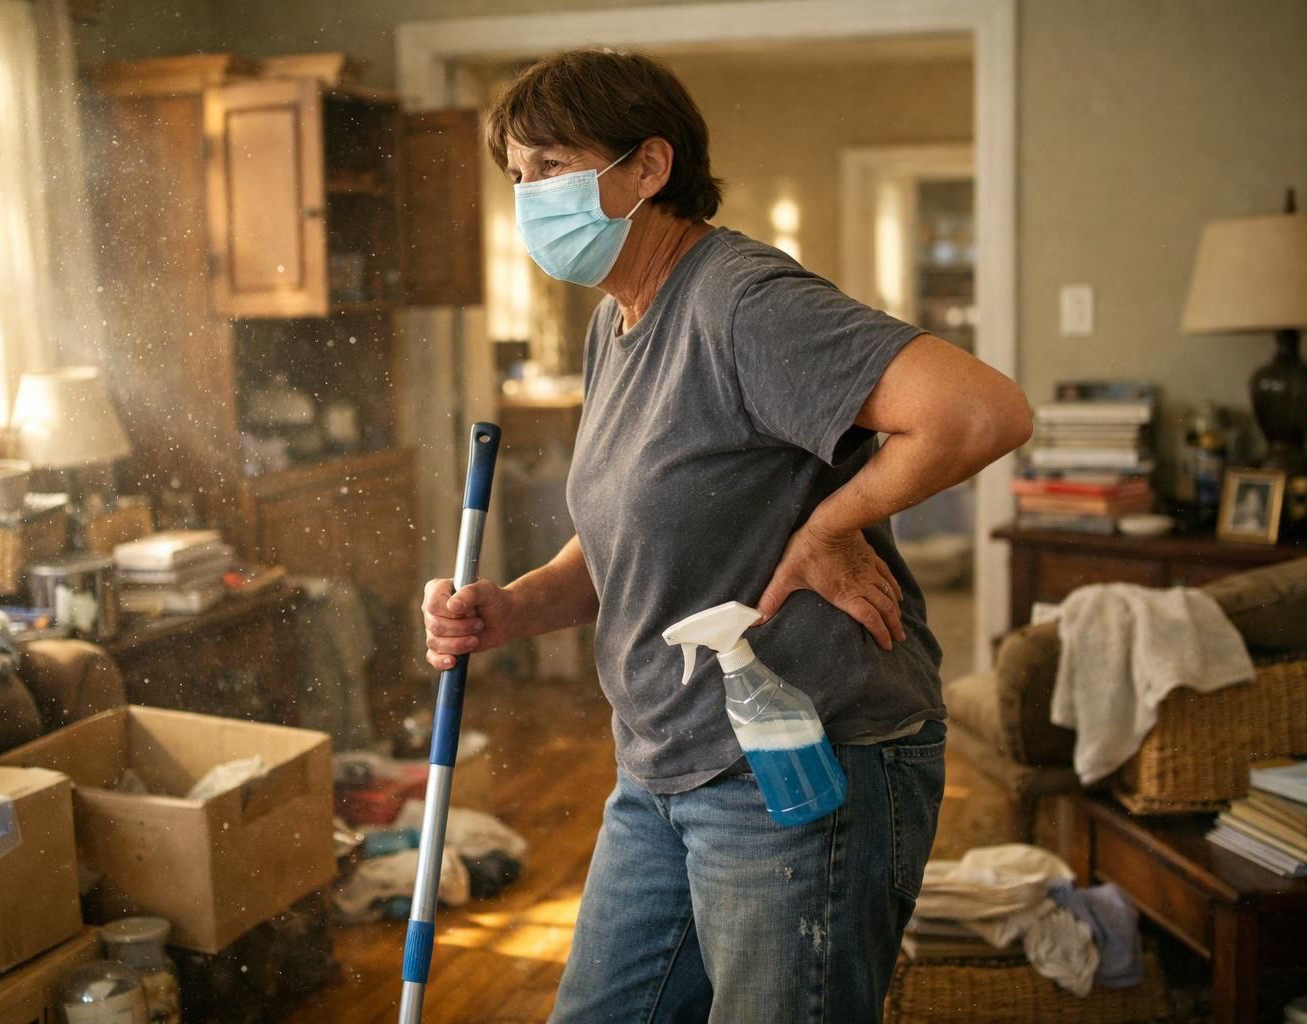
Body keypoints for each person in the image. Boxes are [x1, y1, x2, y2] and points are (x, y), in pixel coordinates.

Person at [421, 49, 1032, 1023]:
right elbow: (635, 535)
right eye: (517, 175)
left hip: (800, 759)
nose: (528, 197)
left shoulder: (741, 300)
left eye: (550, 166)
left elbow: (980, 411)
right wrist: (511, 607)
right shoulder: (619, 320)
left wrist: (834, 522)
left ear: (648, 166)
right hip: (666, 762)